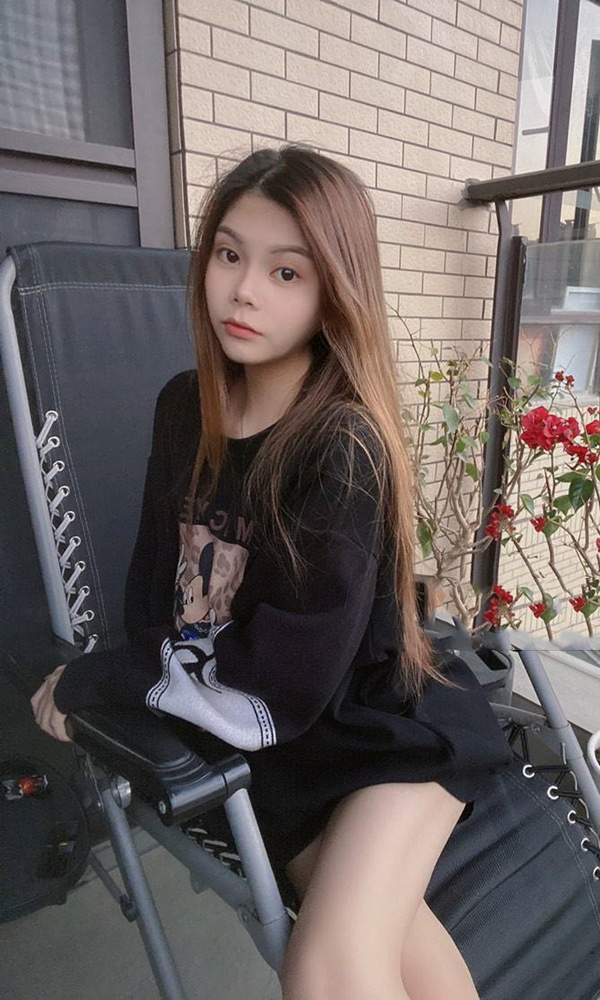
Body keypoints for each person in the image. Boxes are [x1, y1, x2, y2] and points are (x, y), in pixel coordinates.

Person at [31, 144, 513, 1000]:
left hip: (377, 723)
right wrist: (134, 668)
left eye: (286, 272)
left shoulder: (342, 445)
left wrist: (93, 681)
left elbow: (287, 679)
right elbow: (156, 591)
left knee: (326, 970)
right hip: (284, 749)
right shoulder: (183, 407)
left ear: (334, 293)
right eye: (229, 255)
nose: (244, 291)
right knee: (390, 944)